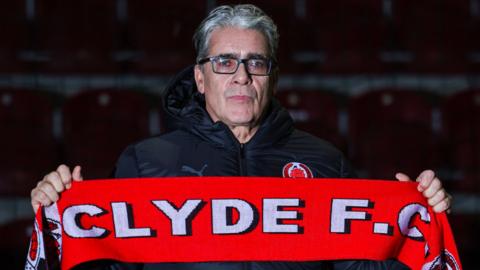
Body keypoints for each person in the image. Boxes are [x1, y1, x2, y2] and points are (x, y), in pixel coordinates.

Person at [30, 4, 451, 270]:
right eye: (225, 62)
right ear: (200, 78)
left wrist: (413, 218)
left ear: (273, 77)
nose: (242, 77)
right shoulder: (145, 162)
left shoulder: (326, 161)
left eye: (256, 63)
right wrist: (60, 215)